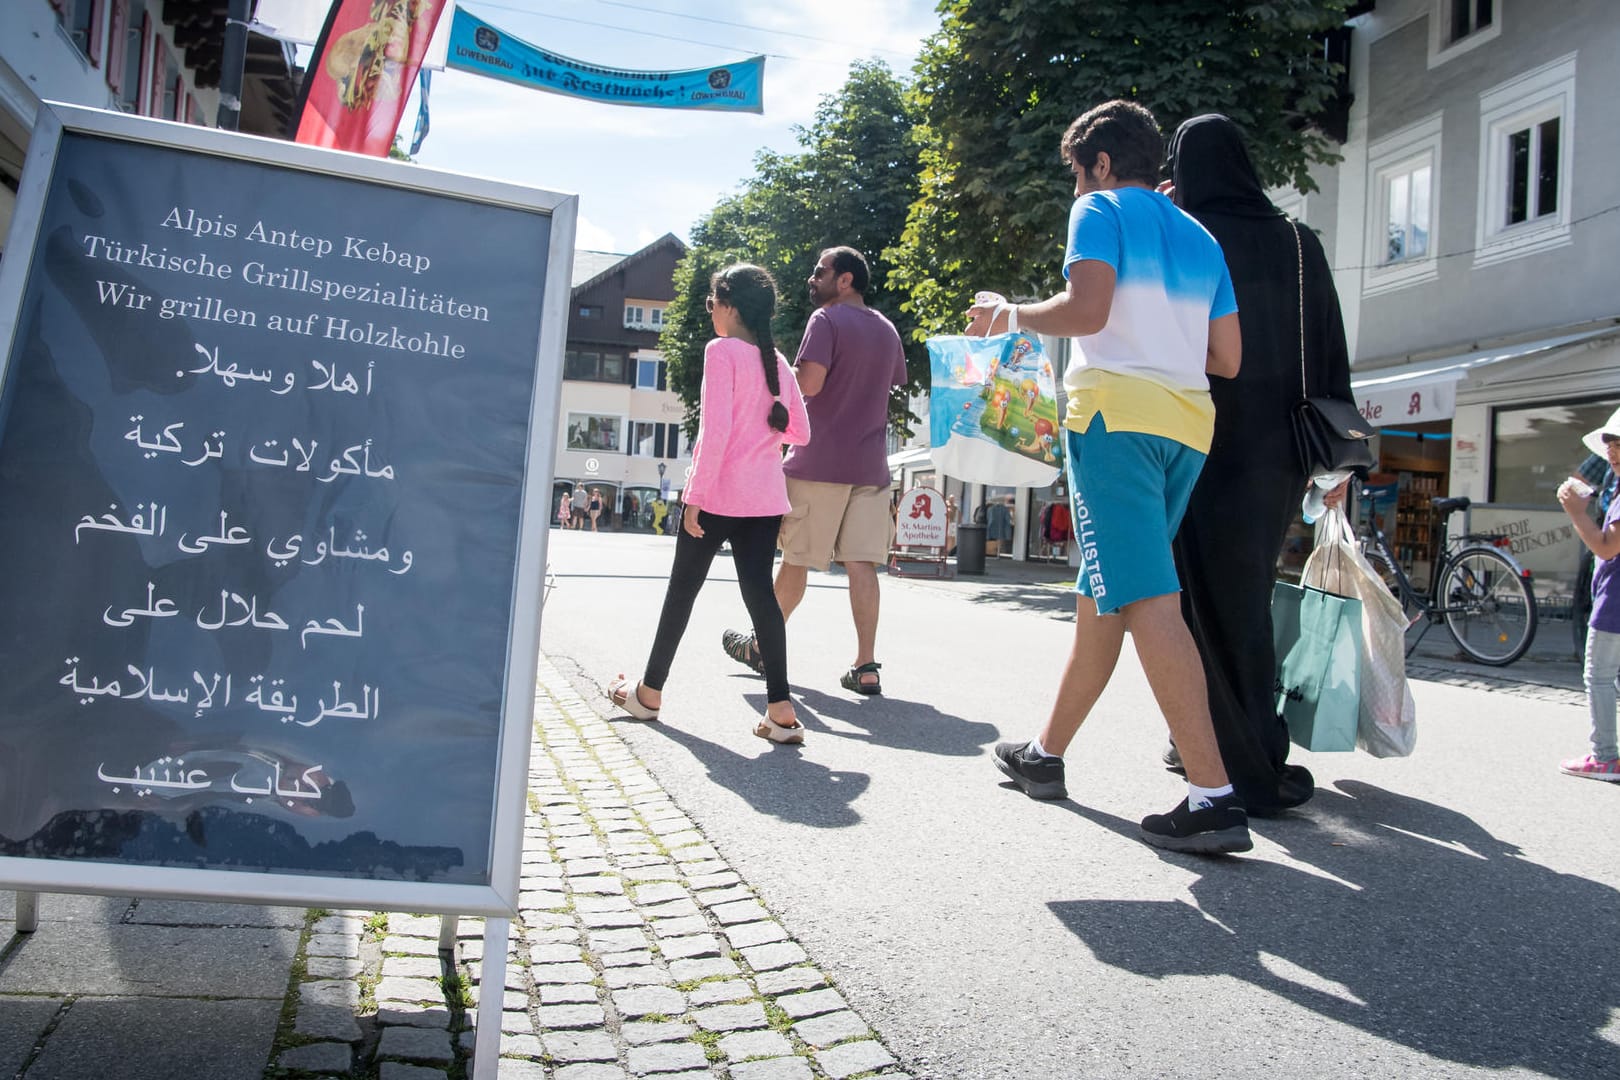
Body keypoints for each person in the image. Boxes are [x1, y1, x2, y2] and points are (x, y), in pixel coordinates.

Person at [967, 99, 1250, 854]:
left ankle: (1213, 796)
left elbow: (1087, 312)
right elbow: (1227, 360)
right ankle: (1044, 755)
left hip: (1112, 423)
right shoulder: (1199, 235)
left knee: (1149, 599)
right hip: (1186, 428)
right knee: (1108, 592)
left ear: (1097, 163)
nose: (1074, 187)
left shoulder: (1098, 209)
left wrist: (1011, 315)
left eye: (1075, 173)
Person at [1158, 113, 1357, 815]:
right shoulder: (1299, 244)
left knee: (1185, 602)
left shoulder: (1183, 235)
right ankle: (1231, 740)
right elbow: (1330, 347)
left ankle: (1237, 759)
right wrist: (1333, 470)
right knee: (1244, 601)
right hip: (1277, 457)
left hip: (1191, 442)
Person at [607, 264, 811, 743]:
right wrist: (766, 427)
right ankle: (780, 709)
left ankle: (649, 693)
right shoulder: (777, 362)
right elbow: (801, 431)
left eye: (712, 303)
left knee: (683, 591)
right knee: (761, 597)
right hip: (763, 499)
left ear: (730, 306)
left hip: (718, 494)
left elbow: (714, 431)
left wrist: (694, 496)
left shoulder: (721, 352)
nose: (710, 312)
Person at [721, 246, 908, 695]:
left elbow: (810, 384)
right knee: (862, 566)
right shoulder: (886, 330)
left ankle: (762, 647)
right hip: (870, 468)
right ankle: (866, 665)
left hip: (818, 462)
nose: (812, 278)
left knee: (797, 560)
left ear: (845, 280)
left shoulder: (825, 321)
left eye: (820, 271)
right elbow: (890, 385)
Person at [1555, 407, 1620, 781]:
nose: (1610, 451)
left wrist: (1575, 512)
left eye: (1618, 443)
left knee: (1598, 675)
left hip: (1615, 599)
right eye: (1609, 442)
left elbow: (1607, 547)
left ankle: (1605, 756)